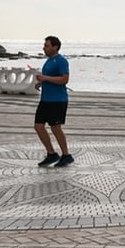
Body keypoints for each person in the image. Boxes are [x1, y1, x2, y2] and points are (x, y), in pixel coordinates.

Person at [33, 35, 73, 167]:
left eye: (46, 45)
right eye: (44, 45)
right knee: (38, 126)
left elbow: (64, 80)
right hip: (45, 100)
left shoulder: (61, 61)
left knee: (56, 128)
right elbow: (50, 78)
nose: (44, 48)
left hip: (57, 100)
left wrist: (45, 78)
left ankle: (66, 155)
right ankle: (51, 154)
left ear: (55, 47)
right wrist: (41, 83)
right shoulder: (48, 61)